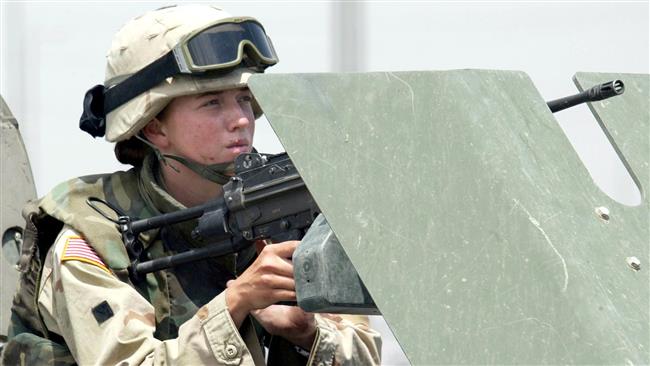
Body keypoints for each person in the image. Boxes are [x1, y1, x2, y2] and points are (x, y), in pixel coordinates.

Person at [1, 5, 381, 365]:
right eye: (212, 103)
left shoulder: (289, 214)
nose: (240, 120)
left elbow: (366, 351)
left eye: (245, 99)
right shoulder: (93, 240)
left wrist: (309, 336)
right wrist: (236, 303)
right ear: (153, 126)